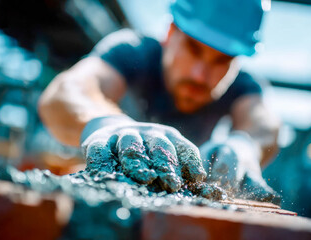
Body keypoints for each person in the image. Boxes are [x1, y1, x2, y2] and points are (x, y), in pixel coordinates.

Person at [39, 0, 280, 203]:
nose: (200, 75)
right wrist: (109, 125)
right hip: (107, 192)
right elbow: (65, 91)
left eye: (222, 60)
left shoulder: (243, 86)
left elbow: (263, 125)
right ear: (170, 33)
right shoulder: (133, 52)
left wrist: (245, 146)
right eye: (193, 49)